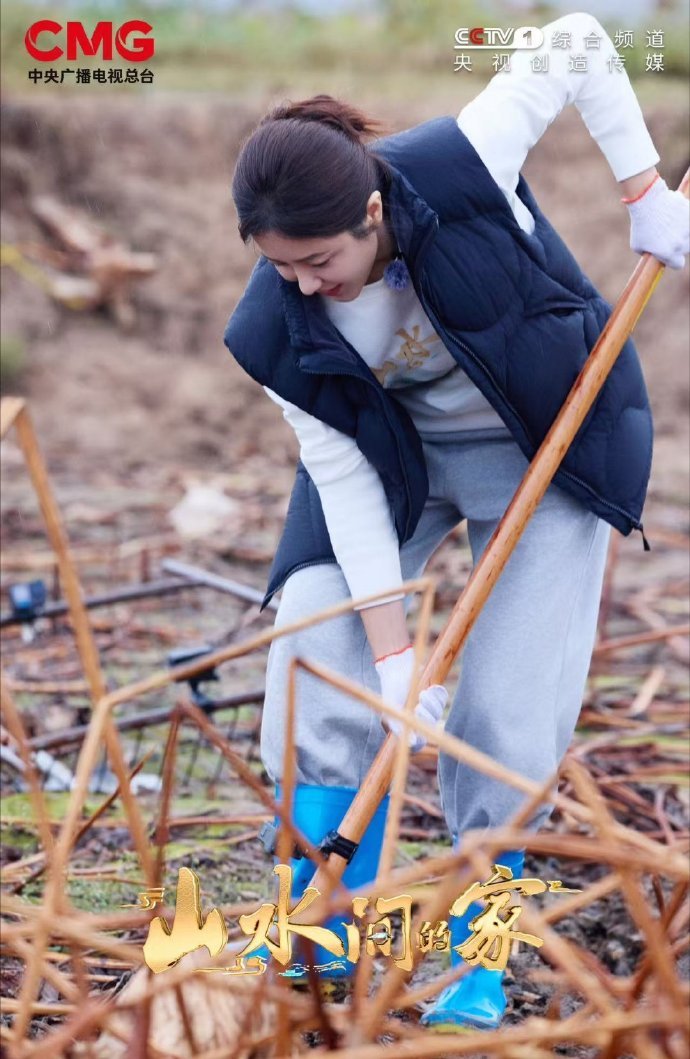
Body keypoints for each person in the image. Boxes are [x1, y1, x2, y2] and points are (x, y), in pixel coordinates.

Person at [225, 12, 689, 1031]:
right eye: (281, 266)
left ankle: (480, 954)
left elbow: (577, 40)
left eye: (318, 260)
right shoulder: (273, 326)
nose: (303, 285)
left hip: (541, 440)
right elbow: (345, 487)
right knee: (314, 645)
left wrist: (643, 191)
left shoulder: (461, 159)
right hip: (391, 463)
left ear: (373, 210)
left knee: (508, 711)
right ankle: (326, 923)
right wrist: (394, 657)